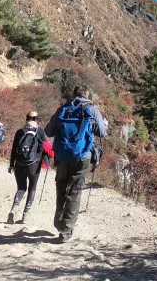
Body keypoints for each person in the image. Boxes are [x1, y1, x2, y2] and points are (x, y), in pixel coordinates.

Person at [45, 86, 107, 243]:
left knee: (61, 187)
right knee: (75, 191)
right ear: (88, 95)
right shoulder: (92, 109)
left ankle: (59, 222)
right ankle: (66, 231)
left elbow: (48, 132)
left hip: (63, 155)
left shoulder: (63, 109)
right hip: (83, 156)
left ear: (73, 95)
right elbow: (103, 132)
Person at [7, 111, 48, 224]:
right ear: (36, 119)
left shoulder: (19, 132)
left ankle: (14, 209)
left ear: (26, 118)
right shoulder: (39, 131)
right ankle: (26, 214)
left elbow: (14, 149)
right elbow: (46, 147)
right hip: (34, 165)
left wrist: (11, 164)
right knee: (32, 188)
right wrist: (43, 160)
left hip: (19, 164)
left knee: (21, 188)